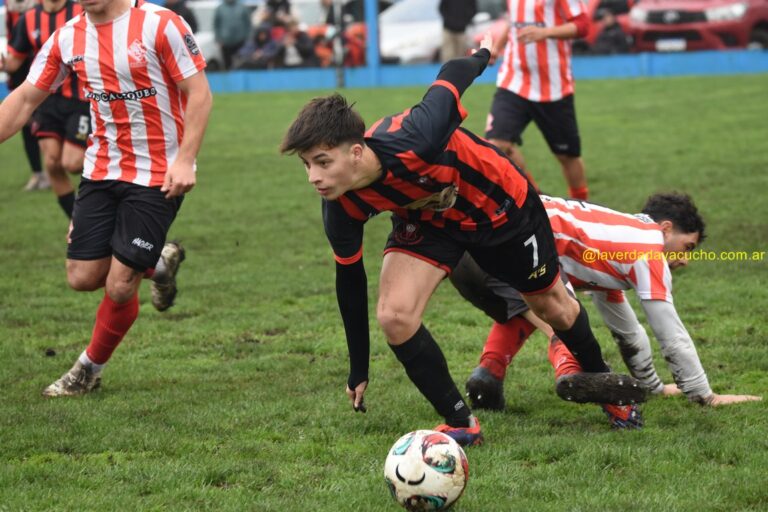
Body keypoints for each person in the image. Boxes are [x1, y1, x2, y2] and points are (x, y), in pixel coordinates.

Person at [280, 34, 643, 447]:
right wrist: (358, 368)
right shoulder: (340, 204)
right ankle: (460, 422)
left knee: (552, 305)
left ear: (357, 152)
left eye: (323, 163)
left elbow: (452, 75)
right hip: (432, 221)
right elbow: (349, 282)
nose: (314, 178)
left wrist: (484, 51)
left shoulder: (418, 136)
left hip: (503, 210)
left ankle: (608, 388)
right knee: (395, 315)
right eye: (307, 165)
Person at [0, 0, 212, 396]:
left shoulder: (160, 24)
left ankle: (87, 371)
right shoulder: (67, 38)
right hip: (100, 170)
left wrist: (185, 159)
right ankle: (157, 259)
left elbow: (199, 93)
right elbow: (27, 99)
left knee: (118, 284)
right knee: (82, 278)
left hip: (157, 172)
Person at [452, 193, 762, 427]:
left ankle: (489, 373)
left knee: (528, 305)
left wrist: (652, 386)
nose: (685, 260)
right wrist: (704, 395)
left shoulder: (614, 242)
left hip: (467, 249)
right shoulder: (649, 251)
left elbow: (627, 330)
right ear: (665, 229)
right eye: (687, 247)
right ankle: (576, 374)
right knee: (561, 314)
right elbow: (671, 333)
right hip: (518, 240)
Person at [486, 0, 591, 200]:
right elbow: (514, 21)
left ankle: (581, 208)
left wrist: (545, 33)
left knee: (567, 156)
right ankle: (536, 199)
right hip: (514, 80)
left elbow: (583, 25)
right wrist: (497, 48)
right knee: (497, 146)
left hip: (553, 87)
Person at [1, 0, 88, 218]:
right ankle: (77, 221)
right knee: (52, 163)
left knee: (73, 163)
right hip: (46, 100)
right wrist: (3, 64)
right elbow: (14, 62)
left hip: (80, 99)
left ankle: (111, 183)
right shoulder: (29, 18)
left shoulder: (82, 11)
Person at [3, 0, 47, 191]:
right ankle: (38, 173)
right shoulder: (10, 6)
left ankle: (54, 166)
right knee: (26, 123)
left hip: (45, 67)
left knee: (47, 121)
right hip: (20, 69)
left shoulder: (43, 5)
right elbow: (11, 33)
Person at [214, 0, 252, 70]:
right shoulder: (220, 8)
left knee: (242, 63)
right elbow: (216, 25)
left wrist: (248, 38)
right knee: (227, 64)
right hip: (225, 42)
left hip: (240, 41)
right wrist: (218, 39)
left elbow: (248, 24)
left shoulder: (242, 7)